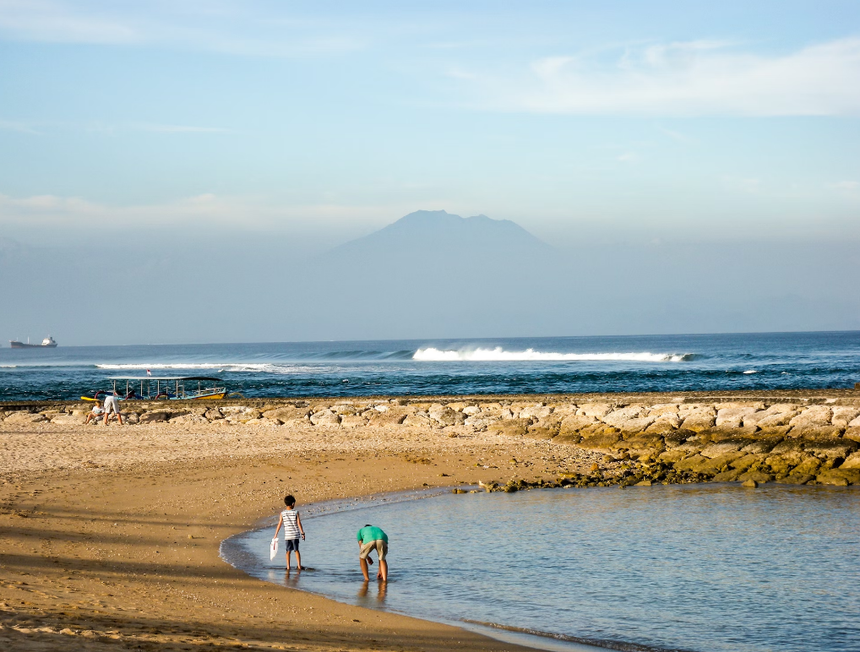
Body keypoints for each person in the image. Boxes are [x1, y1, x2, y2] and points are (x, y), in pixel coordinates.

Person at [273, 495, 305, 570]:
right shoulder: (296, 512)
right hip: (295, 535)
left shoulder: (282, 513)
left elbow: (279, 524)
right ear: (293, 504)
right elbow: (299, 523)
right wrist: (302, 533)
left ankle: (288, 566)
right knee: (296, 550)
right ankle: (299, 566)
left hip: (287, 536)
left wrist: (275, 535)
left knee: (288, 551)